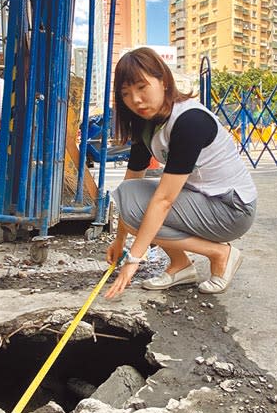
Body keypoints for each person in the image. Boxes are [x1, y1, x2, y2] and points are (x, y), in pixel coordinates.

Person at [104, 47, 257, 299]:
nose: (136, 100)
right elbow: (131, 181)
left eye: (142, 87)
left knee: (144, 210)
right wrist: (119, 242)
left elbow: (164, 201)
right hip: (203, 200)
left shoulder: (189, 121)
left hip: (232, 209)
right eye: (126, 94)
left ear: (163, 81)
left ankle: (221, 254)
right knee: (129, 196)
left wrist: (133, 260)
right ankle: (180, 266)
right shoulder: (148, 123)